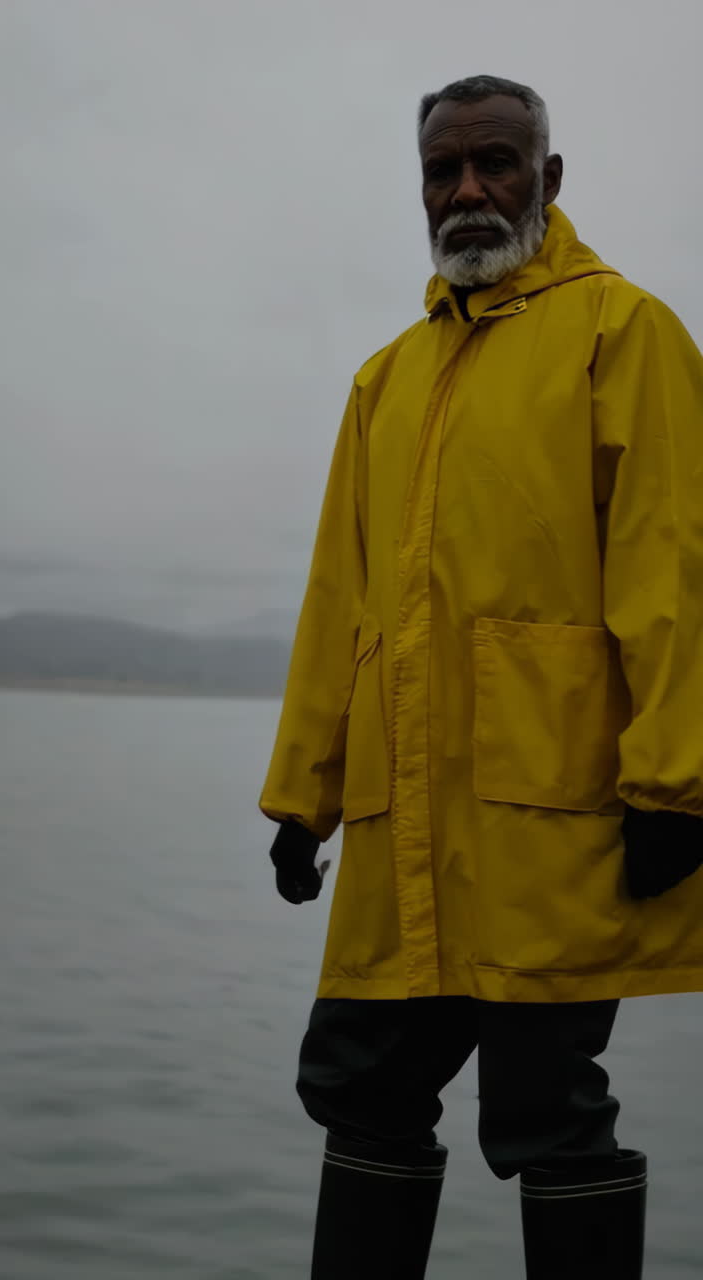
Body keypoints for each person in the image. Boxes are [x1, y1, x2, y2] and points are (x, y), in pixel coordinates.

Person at [259, 74, 703, 1279]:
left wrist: (678, 781)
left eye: (496, 163)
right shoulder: (383, 381)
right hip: (397, 825)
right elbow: (336, 606)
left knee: (546, 1105)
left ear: (548, 180)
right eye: (443, 171)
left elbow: (672, 573)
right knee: (357, 1081)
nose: (467, 190)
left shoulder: (627, 332)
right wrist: (304, 796)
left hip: (547, 816)